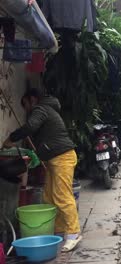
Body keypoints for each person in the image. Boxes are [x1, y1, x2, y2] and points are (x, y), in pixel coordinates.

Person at [2, 89, 82, 252]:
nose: (26, 110)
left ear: (32, 100)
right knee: (49, 196)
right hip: (55, 158)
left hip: (62, 157)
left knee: (62, 196)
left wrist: (11, 138)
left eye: (25, 105)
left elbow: (30, 126)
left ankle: (73, 233)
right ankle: (59, 231)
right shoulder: (46, 109)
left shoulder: (41, 109)